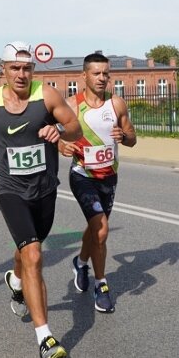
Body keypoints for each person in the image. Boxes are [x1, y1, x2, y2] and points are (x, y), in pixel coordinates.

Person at [0, 41, 81, 358]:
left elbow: (75, 127)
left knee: (28, 249)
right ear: (3, 70)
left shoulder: (48, 95)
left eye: (26, 68)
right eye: (14, 68)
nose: (21, 74)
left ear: (33, 69)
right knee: (34, 254)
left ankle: (15, 280)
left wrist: (59, 131)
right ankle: (45, 338)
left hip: (45, 187)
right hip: (9, 187)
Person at [58, 52, 137, 313]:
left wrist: (123, 136)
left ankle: (81, 262)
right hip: (83, 175)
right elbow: (53, 134)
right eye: (96, 73)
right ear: (84, 75)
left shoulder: (117, 104)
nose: (102, 78)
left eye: (106, 73)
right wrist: (62, 145)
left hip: (109, 176)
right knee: (101, 229)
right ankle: (101, 284)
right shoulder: (71, 105)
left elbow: (132, 138)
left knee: (95, 229)